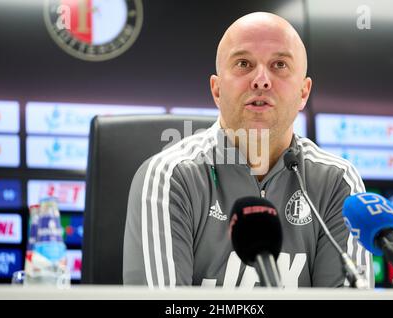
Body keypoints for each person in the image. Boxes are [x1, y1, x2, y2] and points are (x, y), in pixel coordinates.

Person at [123, 12, 374, 288]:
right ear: (216, 90)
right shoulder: (170, 177)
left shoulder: (337, 182)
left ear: (304, 93)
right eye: (244, 63)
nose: (261, 80)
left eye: (279, 64)